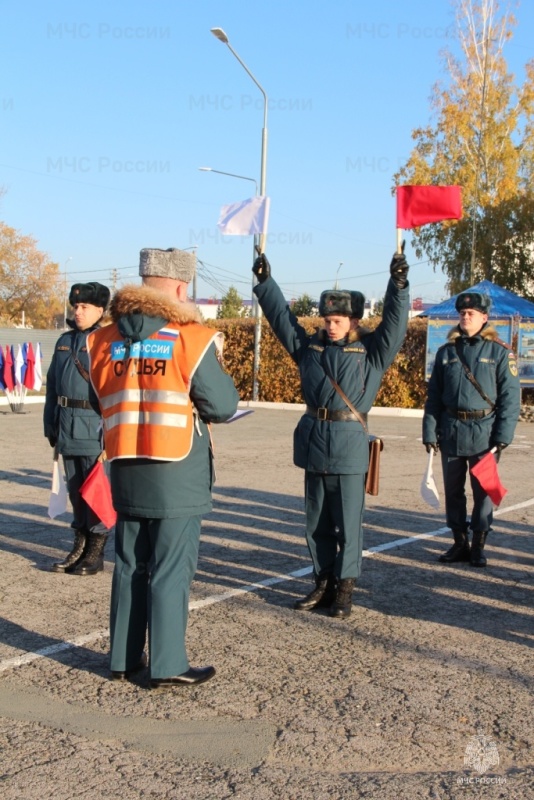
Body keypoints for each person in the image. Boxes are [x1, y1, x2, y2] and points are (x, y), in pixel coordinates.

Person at [87, 247, 239, 689]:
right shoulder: (190, 337)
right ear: (178, 288)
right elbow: (224, 405)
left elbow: (101, 399)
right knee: (172, 567)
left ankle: (122, 657)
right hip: (176, 471)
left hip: (126, 466)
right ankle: (168, 663)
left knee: (130, 563)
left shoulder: (102, 339)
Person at [252, 248, 410, 618]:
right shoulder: (310, 348)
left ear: (353, 320)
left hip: (349, 444)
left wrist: (398, 285)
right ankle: (322, 581)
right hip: (314, 441)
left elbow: (395, 324)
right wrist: (265, 283)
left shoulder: (371, 352)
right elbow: (281, 320)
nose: (330, 324)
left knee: (348, 523)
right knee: (316, 521)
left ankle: (345, 587)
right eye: (326, 318)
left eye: (338, 318)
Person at [423, 291, 520, 567]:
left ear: (484, 317)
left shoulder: (500, 352)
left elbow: (511, 398)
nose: (466, 317)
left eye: (472, 314)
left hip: (484, 433)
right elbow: (434, 397)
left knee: (484, 491)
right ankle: (459, 543)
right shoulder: (446, 353)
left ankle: (478, 545)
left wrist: (503, 436)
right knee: (453, 491)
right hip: (452, 429)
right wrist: (429, 431)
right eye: (462, 313)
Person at [44, 282, 111, 576]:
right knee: (75, 491)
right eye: (75, 306)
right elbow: (52, 388)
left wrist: (111, 434)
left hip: (93, 429)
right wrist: (50, 424)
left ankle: (95, 552)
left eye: (84, 306)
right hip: (67, 428)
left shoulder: (108, 342)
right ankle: (79, 545)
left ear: (100, 310)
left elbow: (113, 391)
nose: (78, 310)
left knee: (94, 492)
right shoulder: (64, 341)